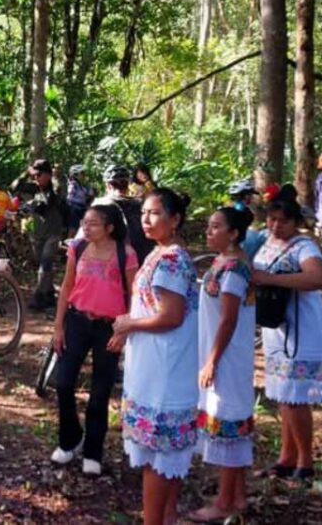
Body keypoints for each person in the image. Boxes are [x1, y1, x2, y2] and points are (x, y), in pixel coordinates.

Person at [112, 188, 198, 525]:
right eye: (144, 213)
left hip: (166, 368)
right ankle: (167, 517)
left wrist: (129, 323)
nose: (146, 220)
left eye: (155, 213)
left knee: (160, 456)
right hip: (153, 364)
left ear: (175, 219)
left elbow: (171, 315)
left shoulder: (172, 260)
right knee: (164, 456)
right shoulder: (157, 254)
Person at [50, 203, 139, 477]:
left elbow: (133, 295)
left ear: (109, 227)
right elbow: (67, 286)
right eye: (84, 223)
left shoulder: (126, 254)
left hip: (108, 327)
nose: (86, 228)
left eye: (93, 224)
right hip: (77, 321)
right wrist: (58, 326)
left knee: (99, 393)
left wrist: (123, 331)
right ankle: (70, 438)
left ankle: (93, 451)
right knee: (63, 381)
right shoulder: (77, 248)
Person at [252, 197, 322, 482]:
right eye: (271, 219)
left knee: (296, 397)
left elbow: (316, 279)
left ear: (296, 223)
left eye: (283, 221)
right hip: (277, 328)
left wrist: (271, 280)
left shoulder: (305, 247)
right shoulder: (266, 241)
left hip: (302, 329)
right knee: (284, 395)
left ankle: (305, 460)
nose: (276, 225)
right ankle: (286, 457)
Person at [192, 207, 256, 521]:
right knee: (232, 424)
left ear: (233, 233)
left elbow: (228, 321)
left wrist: (211, 361)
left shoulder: (233, 269)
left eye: (216, 227)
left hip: (227, 358)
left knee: (228, 424)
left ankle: (225, 502)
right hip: (223, 355)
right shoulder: (224, 262)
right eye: (209, 226)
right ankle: (238, 495)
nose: (209, 231)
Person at [11, 159, 68, 310]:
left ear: (48, 175)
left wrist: (54, 176)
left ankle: (38, 297)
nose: (36, 178)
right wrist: (25, 173)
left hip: (54, 233)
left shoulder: (56, 188)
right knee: (42, 264)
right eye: (34, 175)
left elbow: (56, 192)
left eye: (39, 175)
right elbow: (15, 187)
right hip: (38, 234)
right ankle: (49, 295)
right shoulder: (34, 188)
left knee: (45, 263)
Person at [93, 164, 154, 264]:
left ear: (108, 185)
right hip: (141, 260)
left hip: (110, 262)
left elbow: (85, 235)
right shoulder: (141, 205)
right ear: (127, 185)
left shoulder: (100, 204)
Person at [227, 178, 267, 260]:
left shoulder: (236, 208)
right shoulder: (240, 210)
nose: (251, 198)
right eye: (250, 195)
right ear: (245, 196)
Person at [65, 165, 96, 238]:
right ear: (76, 175)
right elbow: (70, 197)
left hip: (82, 208)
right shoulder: (73, 185)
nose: (84, 175)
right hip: (75, 209)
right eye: (82, 173)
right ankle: (70, 243)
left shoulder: (83, 186)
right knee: (73, 227)